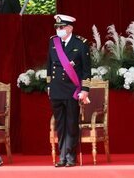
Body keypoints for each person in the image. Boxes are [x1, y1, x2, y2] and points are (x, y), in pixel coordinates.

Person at [47, 14, 91, 167]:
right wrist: (48, 86)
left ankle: (71, 156)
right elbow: (49, 66)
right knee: (60, 124)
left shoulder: (81, 44)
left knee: (71, 123)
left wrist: (85, 89)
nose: (59, 30)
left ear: (70, 27)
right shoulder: (53, 42)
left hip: (72, 89)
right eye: (57, 27)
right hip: (56, 89)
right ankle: (62, 156)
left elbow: (86, 70)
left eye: (62, 27)